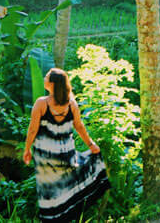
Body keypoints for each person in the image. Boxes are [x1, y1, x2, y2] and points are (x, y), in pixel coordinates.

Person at [23, 67, 110, 222]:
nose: (44, 78)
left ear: (53, 84)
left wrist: (27, 149)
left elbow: (32, 130)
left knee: (49, 192)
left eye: (47, 76)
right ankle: (67, 217)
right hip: (66, 155)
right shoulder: (72, 104)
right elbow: (80, 127)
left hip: (46, 157)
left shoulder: (41, 103)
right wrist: (91, 145)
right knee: (66, 189)